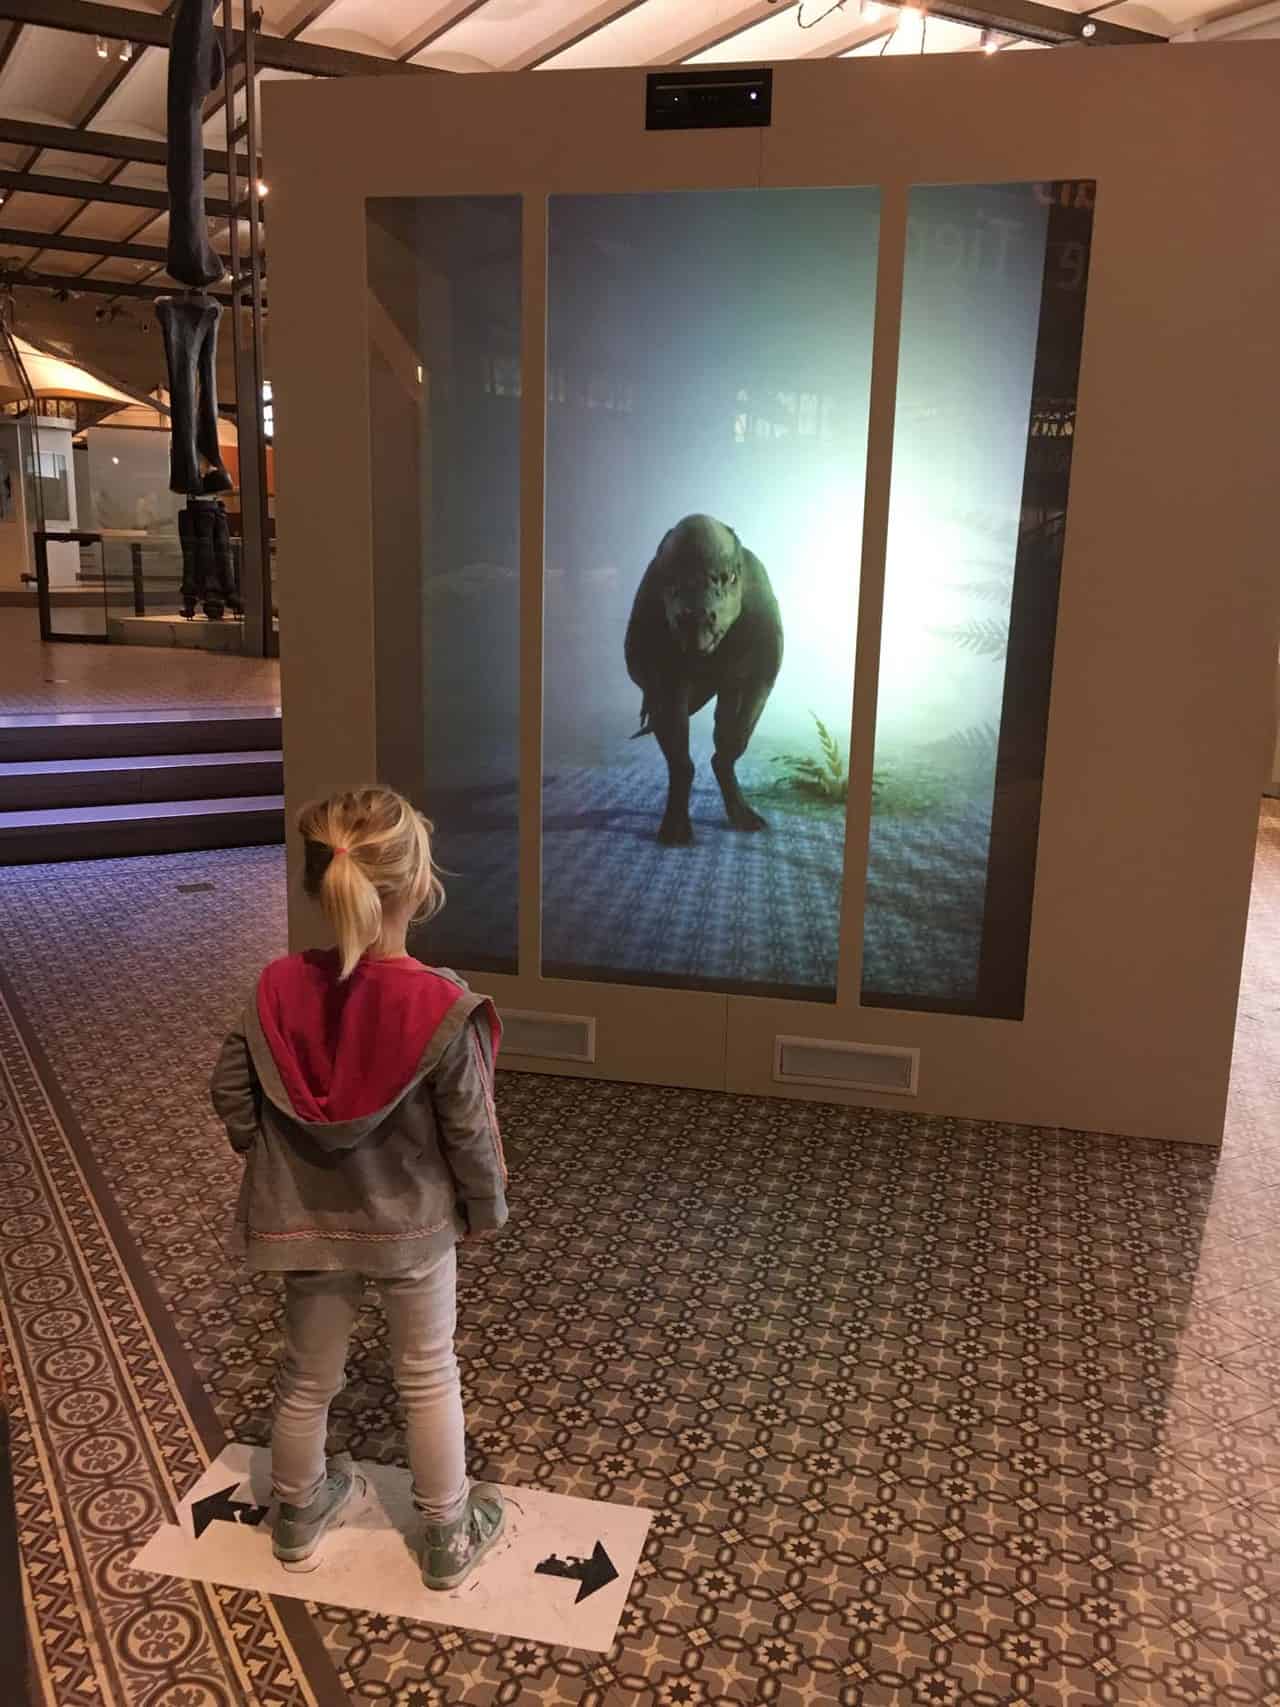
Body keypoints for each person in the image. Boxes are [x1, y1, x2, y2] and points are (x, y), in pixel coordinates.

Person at [210, 786, 508, 1587]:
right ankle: (447, 1533)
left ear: (319, 886)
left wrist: (272, 1154)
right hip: (411, 1227)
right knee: (428, 1370)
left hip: (305, 1222)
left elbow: (232, 1092)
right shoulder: (440, 1003)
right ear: (417, 885)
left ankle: (298, 1516)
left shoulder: (274, 987)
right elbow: (470, 1130)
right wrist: (483, 1208)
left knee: (306, 1377)